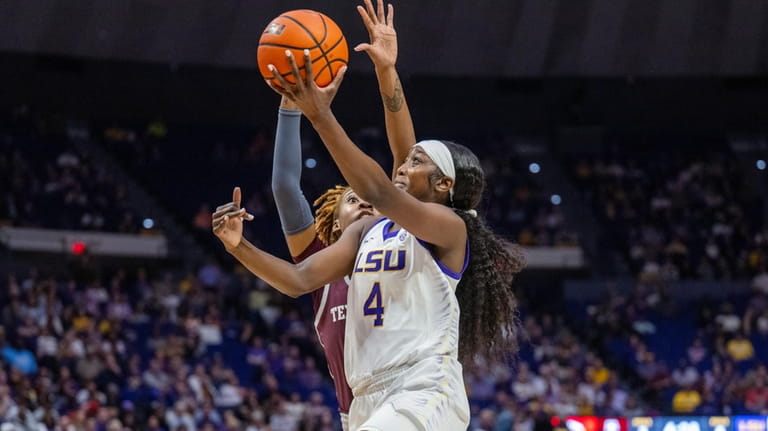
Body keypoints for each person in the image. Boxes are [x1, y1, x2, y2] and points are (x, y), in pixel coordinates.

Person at [214, 3, 525, 431]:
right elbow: (299, 279)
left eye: (416, 162)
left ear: (443, 186)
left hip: (422, 388)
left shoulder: (451, 229)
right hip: (366, 400)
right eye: (406, 160)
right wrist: (237, 245)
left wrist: (321, 115)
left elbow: (378, 187)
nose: (403, 165)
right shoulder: (366, 229)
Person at [250, 1, 415, 429]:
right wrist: (291, 103)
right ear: (333, 223)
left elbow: (404, 157)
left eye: (368, 200)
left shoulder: (395, 235)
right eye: (351, 201)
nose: (363, 202)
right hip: (357, 413)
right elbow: (285, 186)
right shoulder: (321, 256)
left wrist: (386, 72)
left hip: (413, 398)